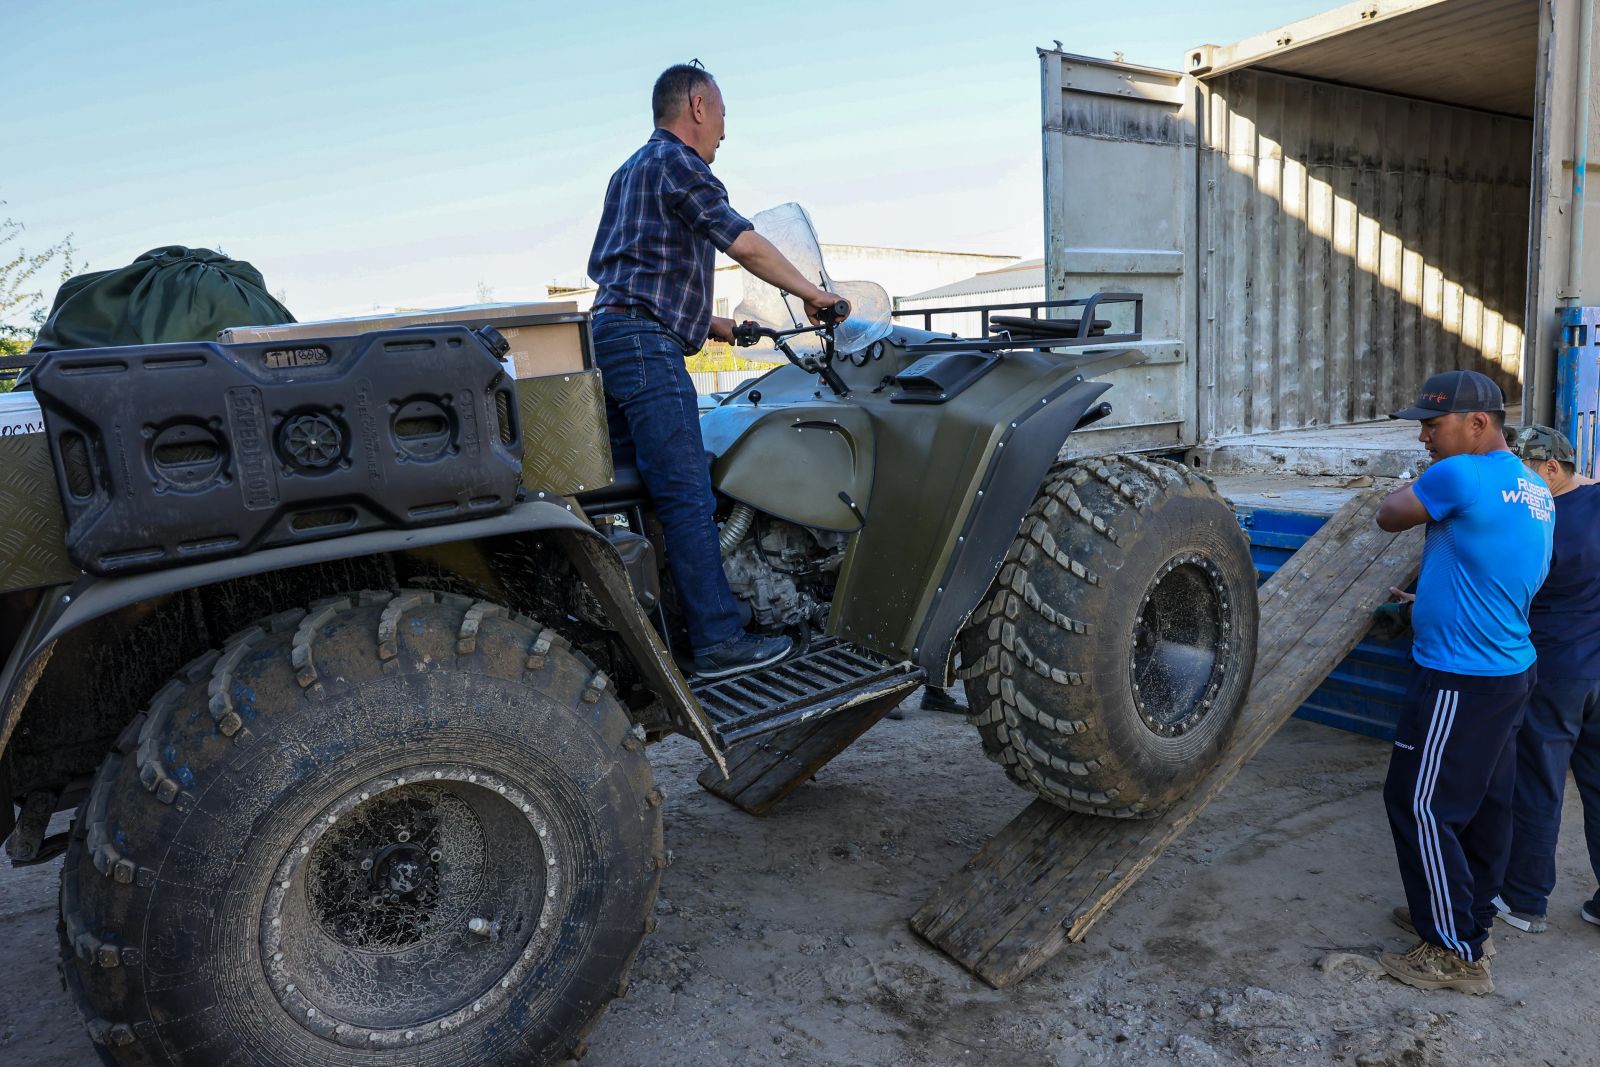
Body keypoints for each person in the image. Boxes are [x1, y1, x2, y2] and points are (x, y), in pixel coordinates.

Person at [587, 63, 847, 679]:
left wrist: (718, 326)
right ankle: (719, 640)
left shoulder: (630, 171)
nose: (725, 131)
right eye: (723, 115)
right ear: (698, 107)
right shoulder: (681, 164)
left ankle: (669, 627)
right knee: (685, 492)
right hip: (646, 347)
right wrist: (815, 295)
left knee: (641, 490)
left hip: (615, 339)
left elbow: (636, 274)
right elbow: (745, 243)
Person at [1373, 370, 1555, 995]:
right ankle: (1468, 916)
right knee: (1482, 806)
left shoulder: (1459, 475)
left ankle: (1453, 949)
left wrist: (1423, 482)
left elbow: (1387, 515)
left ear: (1479, 424)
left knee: (1420, 803)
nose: (1423, 436)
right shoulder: (1534, 489)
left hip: (1458, 675)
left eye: (1433, 423)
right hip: (1510, 668)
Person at [1492, 425, 1600, 933]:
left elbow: (1509, 587)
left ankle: (1524, 899)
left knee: (1538, 781)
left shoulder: (1542, 520)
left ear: (1552, 469)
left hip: (1558, 672)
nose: (1519, 481)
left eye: (1527, 469)